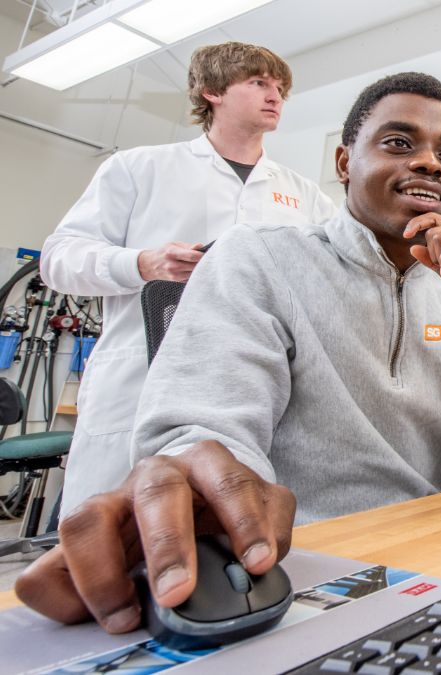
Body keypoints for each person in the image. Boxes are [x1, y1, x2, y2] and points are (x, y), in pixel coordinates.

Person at [16, 72, 441, 633]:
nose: (431, 163)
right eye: (400, 143)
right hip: (296, 567)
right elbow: (208, 433)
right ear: (343, 162)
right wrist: (199, 479)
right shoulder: (261, 259)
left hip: (426, 558)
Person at [40, 42, 336, 512]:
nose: (275, 95)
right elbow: (58, 259)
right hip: (141, 383)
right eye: (259, 82)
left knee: (228, 543)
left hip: (257, 393)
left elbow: (332, 282)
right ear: (213, 90)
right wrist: (142, 263)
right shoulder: (140, 168)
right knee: (110, 536)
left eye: (280, 87)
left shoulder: (304, 195)